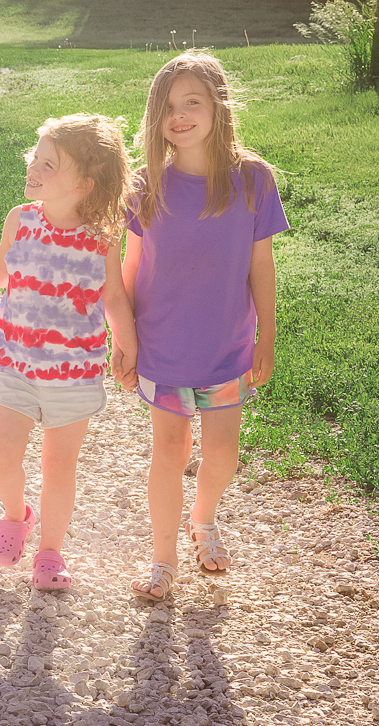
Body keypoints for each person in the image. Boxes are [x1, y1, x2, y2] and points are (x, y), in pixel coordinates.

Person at [0, 115, 137, 591]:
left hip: (73, 371)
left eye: (48, 163)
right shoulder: (20, 219)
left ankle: (50, 551)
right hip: (14, 361)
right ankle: (15, 515)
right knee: (2, 454)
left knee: (58, 464)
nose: (33, 166)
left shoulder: (102, 239)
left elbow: (112, 298)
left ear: (84, 185)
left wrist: (128, 345)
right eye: (36, 156)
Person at [121, 52, 286, 601]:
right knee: (169, 450)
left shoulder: (253, 181)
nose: (181, 115)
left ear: (218, 105)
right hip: (164, 347)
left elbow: (260, 266)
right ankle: (162, 559)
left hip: (227, 349)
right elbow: (130, 267)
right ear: (155, 118)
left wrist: (267, 337)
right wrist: (124, 340)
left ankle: (205, 517)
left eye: (193, 102)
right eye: (169, 107)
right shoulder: (146, 185)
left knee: (222, 454)